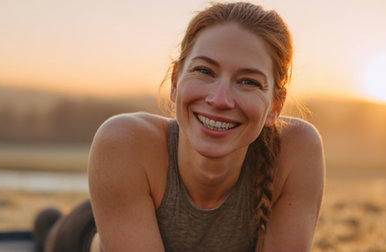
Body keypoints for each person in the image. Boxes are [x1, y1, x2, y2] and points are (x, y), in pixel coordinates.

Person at [33, 2, 325, 251]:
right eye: (204, 71)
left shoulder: (297, 149)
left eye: (248, 81)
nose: (220, 99)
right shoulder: (124, 141)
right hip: (91, 230)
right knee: (49, 227)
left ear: (276, 105)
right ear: (175, 83)